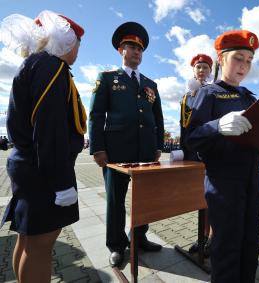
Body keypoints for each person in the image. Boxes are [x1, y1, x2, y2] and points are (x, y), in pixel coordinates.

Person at [185, 30, 259, 283]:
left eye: (249, 60)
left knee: (250, 244)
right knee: (226, 247)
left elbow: (254, 145)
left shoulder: (249, 97)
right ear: (221, 59)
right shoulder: (209, 93)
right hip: (223, 182)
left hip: (251, 179)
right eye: (238, 58)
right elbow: (191, 139)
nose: (244, 66)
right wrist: (216, 126)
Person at [0, 11, 85, 283]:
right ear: (64, 39)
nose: (78, 50)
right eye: (77, 42)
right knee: (41, 244)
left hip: (29, 164)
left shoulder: (36, 64)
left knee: (28, 240)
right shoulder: (51, 67)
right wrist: (61, 182)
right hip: (43, 171)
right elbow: (50, 132)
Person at [89, 22, 164, 267]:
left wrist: (159, 145)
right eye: (131, 47)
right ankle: (117, 245)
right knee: (115, 200)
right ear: (121, 50)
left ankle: (139, 237)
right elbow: (96, 115)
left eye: (140, 49)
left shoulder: (151, 84)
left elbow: (158, 118)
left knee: (145, 198)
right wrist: (97, 147)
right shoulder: (108, 79)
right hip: (116, 150)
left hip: (145, 150)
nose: (136, 52)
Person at [179, 53, 214, 255]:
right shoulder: (187, 97)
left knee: (211, 199)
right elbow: (185, 129)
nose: (201, 71)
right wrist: (183, 153)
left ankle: (212, 239)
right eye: (198, 67)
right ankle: (202, 237)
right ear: (193, 71)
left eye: (205, 68)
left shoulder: (214, 92)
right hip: (193, 155)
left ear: (210, 72)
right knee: (199, 198)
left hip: (211, 154)